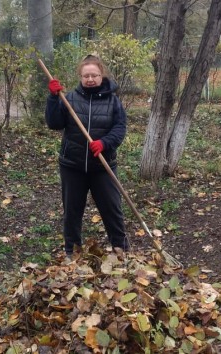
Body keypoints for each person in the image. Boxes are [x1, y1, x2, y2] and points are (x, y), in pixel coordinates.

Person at [45, 55, 129, 259]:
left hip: (102, 166)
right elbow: (54, 123)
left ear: (102, 76)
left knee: (112, 209)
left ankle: (120, 249)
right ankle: (72, 252)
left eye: (94, 75)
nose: (90, 79)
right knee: (72, 212)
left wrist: (104, 143)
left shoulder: (113, 101)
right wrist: (54, 98)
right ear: (80, 77)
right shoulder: (70, 98)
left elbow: (120, 128)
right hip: (72, 166)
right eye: (86, 76)